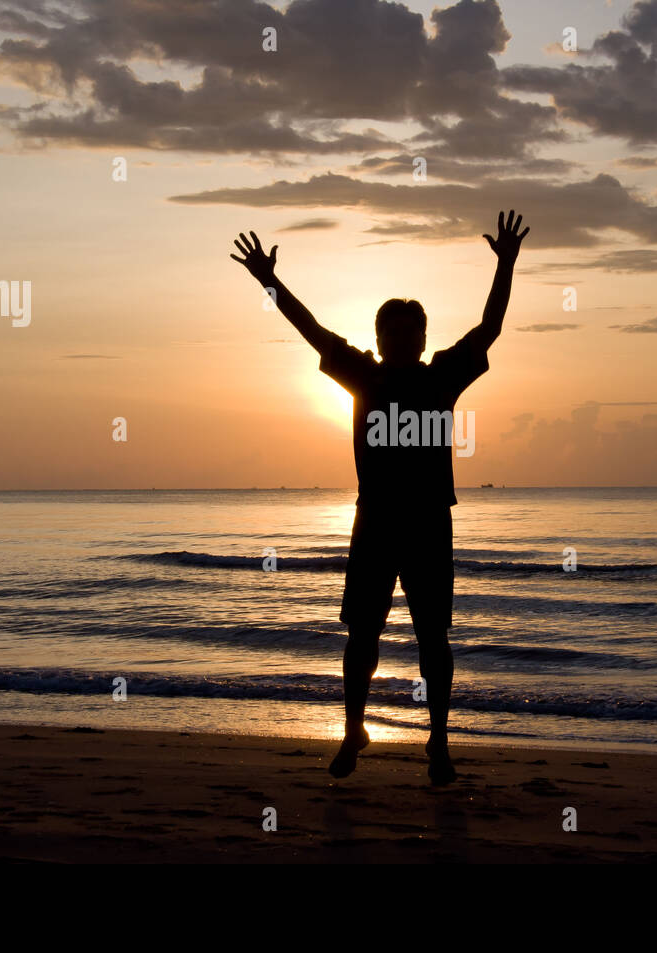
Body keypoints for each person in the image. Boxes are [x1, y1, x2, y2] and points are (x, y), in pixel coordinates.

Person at [230, 210, 529, 785]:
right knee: (361, 635)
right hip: (373, 524)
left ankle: (438, 744)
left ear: (422, 338)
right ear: (379, 339)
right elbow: (309, 328)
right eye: (391, 332)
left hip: (428, 524)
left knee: (432, 637)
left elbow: (489, 327)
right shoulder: (362, 374)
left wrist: (507, 266)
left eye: (411, 332)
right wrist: (267, 280)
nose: (401, 340)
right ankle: (352, 732)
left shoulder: (441, 376)